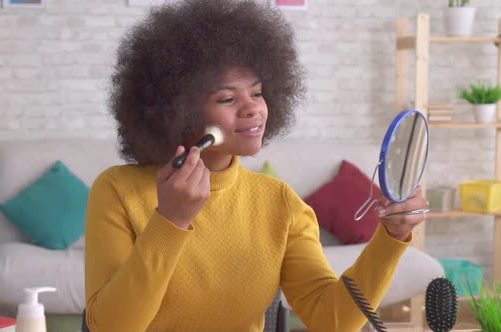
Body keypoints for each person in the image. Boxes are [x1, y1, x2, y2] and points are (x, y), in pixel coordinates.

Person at [84, 0, 429, 331]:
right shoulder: (117, 191)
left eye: (258, 93)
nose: (252, 109)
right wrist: (170, 222)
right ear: (178, 110)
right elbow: (112, 327)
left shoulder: (279, 202)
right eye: (228, 98)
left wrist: (391, 238)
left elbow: (332, 320)